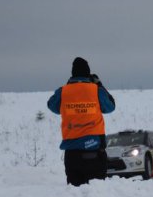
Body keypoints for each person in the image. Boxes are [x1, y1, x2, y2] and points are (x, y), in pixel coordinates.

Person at [47, 57, 115, 186]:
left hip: (72, 154)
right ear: (88, 74)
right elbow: (110, 107)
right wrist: (100, 85)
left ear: (72, 74)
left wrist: (68, 88)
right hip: (95, 151)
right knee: (98, 193)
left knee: (75, 196)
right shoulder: (96, 90)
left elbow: (52, 106)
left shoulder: (64, 92)